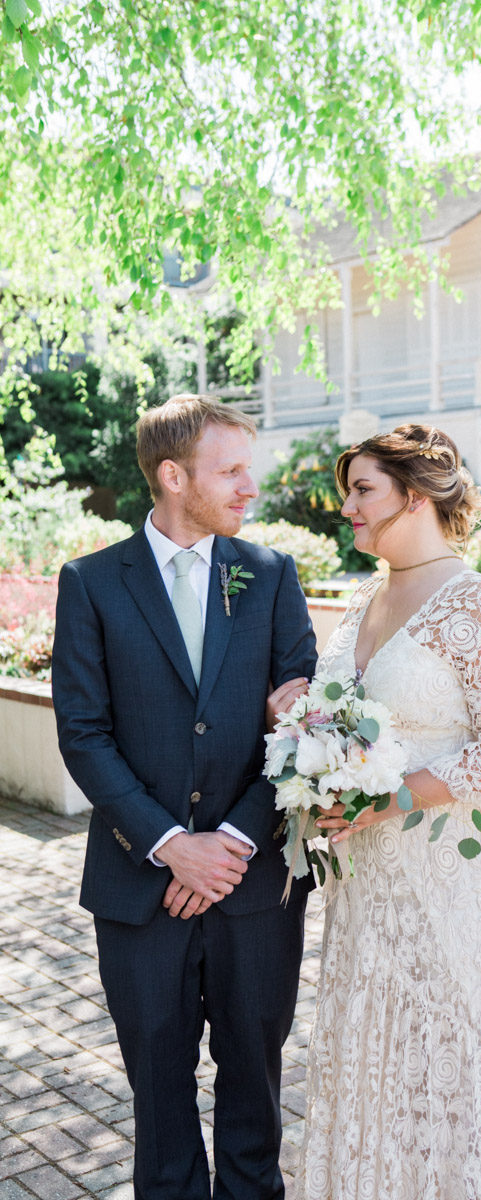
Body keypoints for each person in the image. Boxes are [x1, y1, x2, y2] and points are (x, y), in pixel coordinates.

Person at [51, 395, 318, 1200]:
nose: (250, 485)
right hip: (139, 892)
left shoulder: (270, 575)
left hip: (255, 891)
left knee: (255, 1097)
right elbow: (84, 734)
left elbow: (305, 728)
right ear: (173, 476)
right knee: (160, 1108)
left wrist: (227, 844)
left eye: (248, 466)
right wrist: (172, 844)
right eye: (230, 469)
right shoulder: (92, 583)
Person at [271, 422, 481, 1200]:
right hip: (367, 882)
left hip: (448, 869)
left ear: (417, 494)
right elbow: (346, 714)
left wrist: (384, 800)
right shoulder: (364, 598)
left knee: (449, 1043)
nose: (347, 508)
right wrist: (301, 721)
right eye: (349, 491)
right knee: (376, 1048)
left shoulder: (480, 604)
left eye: (363, 490)